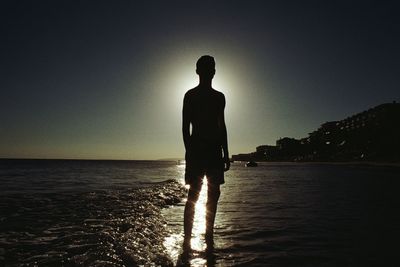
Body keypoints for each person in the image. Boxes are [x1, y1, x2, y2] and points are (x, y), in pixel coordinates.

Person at [182, 55, 230, 250]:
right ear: (197, 71)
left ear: (214, 71)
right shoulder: (190, 95)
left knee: (214, 195)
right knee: (193, 195)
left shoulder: (219, 97)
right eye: (205, 67)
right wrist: (189, 153)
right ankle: (187, 239)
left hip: (214, 153)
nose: (209, 71)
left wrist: (226, 152)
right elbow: (185, 128)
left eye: (211, 67)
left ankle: (208, 235)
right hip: (197, 151)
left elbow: (222, 125)